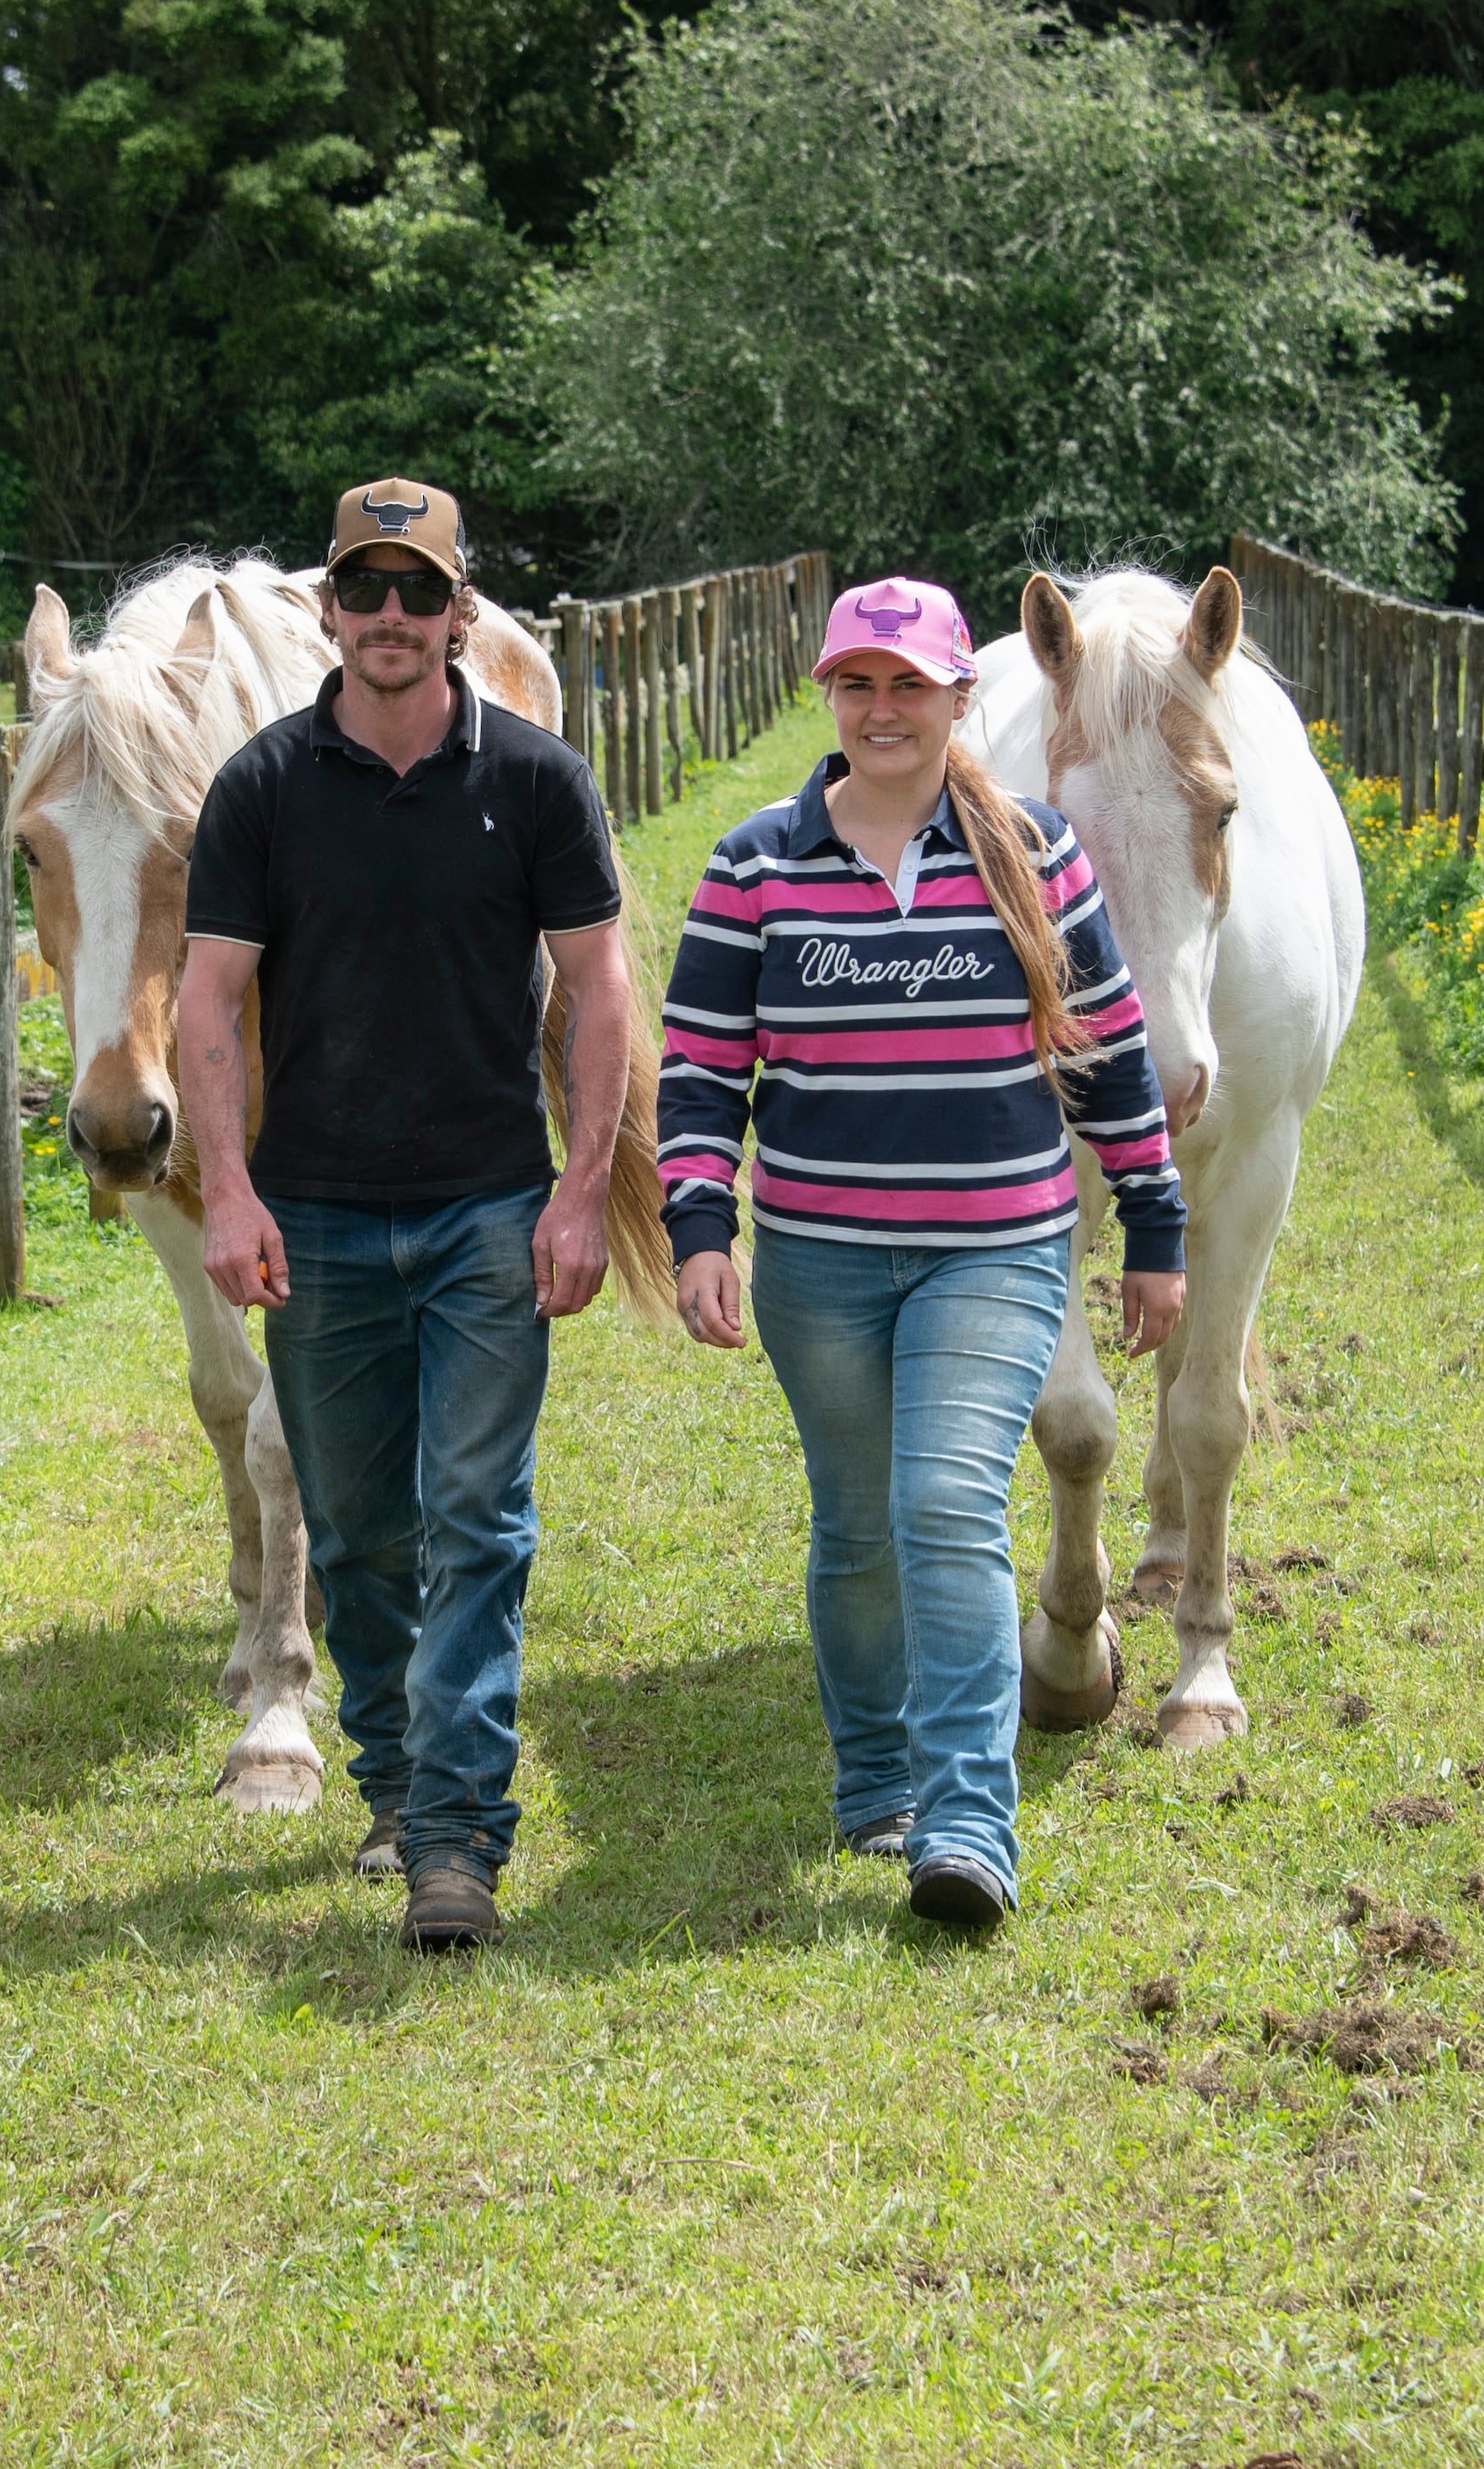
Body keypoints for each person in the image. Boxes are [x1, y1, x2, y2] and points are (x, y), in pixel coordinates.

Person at [655, 576, 1187, 1932]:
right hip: (821, 1261)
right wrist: (700, 1226)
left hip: (995, 1251)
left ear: (960, 700)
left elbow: (1112, 1053)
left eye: (911, 685)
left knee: (945, 1503)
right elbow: (706, 1072)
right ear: (830, 698)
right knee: (855, 1526)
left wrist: (1153, 1223)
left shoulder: (1041, 855)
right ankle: (876, 1775)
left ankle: (965, 1817)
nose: (883, 709)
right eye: (858, 684)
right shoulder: (753, 864)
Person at [179, 480, 635, 1951]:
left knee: (476, 1520)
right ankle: (391, 1771)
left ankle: (454, 1835)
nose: (391, 618)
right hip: (315, 1219)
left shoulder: (541, 782)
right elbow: (205, 1004)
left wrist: (578, 1194)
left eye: (418, 592)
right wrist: (232, 1189)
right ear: (330, 607)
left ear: (462, 612)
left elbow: (601, 991)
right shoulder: (260, 788)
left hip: (487, 1215)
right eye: (364, 590)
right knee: (365, 1535)